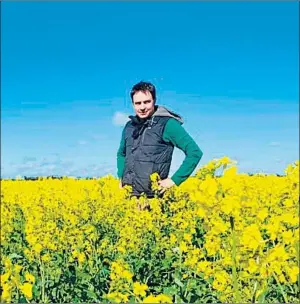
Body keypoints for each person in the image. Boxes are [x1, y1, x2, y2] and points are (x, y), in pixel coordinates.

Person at [117, 81, 203, 198]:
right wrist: (121, 177)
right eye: (138, 103)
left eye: (147, 102)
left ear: (154, 100)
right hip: (127, 197)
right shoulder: (129, 126)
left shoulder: (168, 124)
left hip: (152, 198)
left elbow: (194, 152)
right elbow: (121, 154)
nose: (142, 107)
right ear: (133, 104)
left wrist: (173, 181)